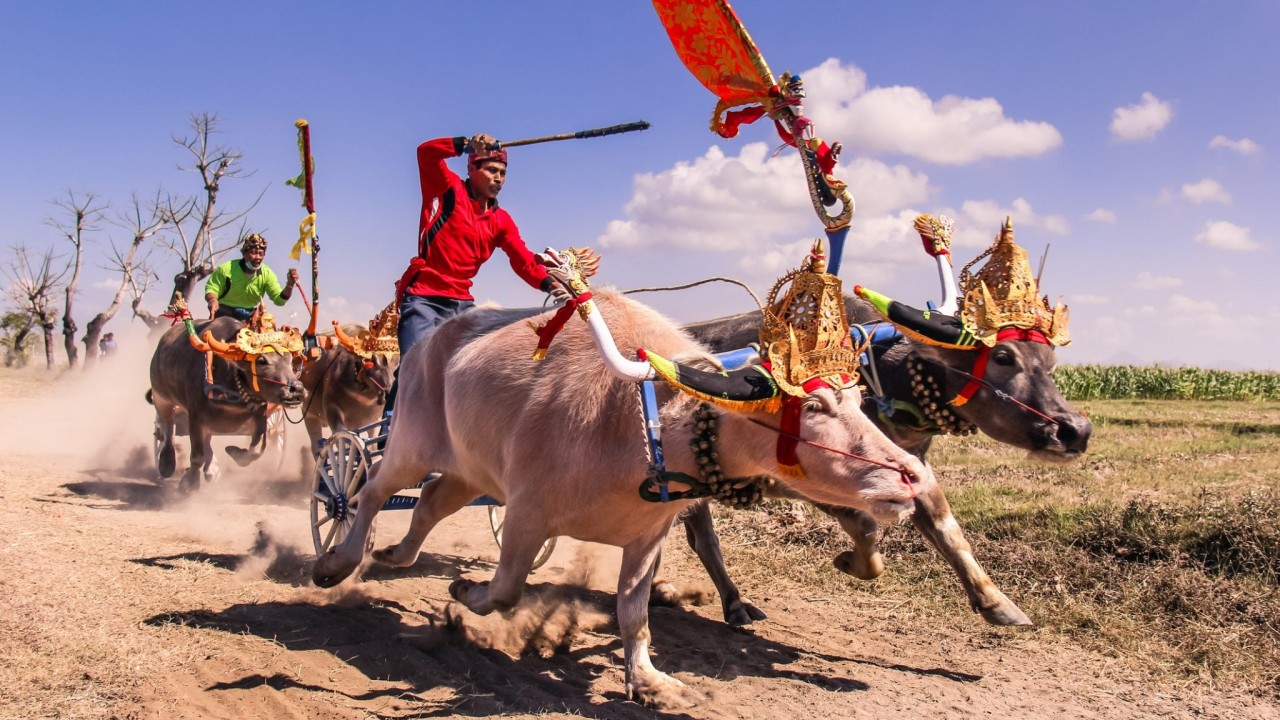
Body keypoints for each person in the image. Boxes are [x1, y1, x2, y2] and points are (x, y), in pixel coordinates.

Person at [384, 132, 560, 414]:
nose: (499, 178)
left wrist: (552, 284)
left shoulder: (501, 221)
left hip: (462, 307)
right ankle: (386, 438)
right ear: (471, 168)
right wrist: (464, 144)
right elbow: (425, 153)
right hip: (424, 301)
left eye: (503, 172)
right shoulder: (446, 189)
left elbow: (524, 261)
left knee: (474, 373)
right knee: (414, 372)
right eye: (491, 170)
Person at [204, 233, 299, 321]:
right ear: (244, 253)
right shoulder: (226, 269)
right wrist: (213, 300)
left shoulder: (267, 274)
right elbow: (212, 289)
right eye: (253, 253)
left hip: (249, 317)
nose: (257, 257)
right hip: (223, 314)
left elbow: (279, 300)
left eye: (261, 254)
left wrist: (290, 285)